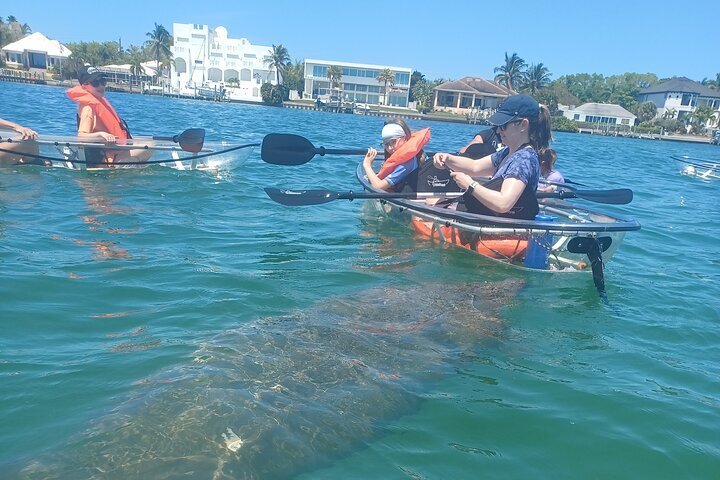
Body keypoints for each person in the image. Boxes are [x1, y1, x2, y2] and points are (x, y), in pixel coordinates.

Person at [433, 94, 551, 220]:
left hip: (504, 229)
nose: (498, 131)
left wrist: (469, 185)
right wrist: (447, 158)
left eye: (503, 125)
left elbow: (503, 203)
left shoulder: (523, 159)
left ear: (523, 125)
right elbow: (475, 167)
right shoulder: (507, 153)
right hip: (493, 221)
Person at [66, 65, 151, 166]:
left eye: (103, 82)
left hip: (112, 152)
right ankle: (119, 170)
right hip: (104, 159)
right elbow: (81, 137)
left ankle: (131, 167)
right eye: (95, 83)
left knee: (147, 143)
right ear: (84, 86)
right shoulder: (88, 108)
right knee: (149, 146)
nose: (101, 86)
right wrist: (101, 134)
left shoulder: (98, 102)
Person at [363, 118, 430, 192]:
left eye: (393, 142)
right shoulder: (416, 154)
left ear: (405, 137)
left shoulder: (406, 164)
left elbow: (378, 186)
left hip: (409, 198)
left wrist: (367, 165)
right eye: (386, 144)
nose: (390, 148)